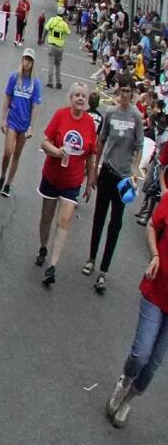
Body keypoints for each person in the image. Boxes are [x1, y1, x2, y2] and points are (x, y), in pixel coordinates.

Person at [105, 162, 168, 427]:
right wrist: (155, 255)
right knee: (141, 354)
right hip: (156, 288)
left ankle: (129, 399)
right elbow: (153, 225)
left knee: (153, 363)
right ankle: (125, 380)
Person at [36, 82, 99, 286]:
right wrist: (56, 151)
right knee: (47, 217)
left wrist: (89, 180)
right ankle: (43, 247)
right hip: (52, 175)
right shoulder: (61, 115)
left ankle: (52, 266)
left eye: (83, 96)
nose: (80, 98)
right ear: (71, 98)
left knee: (64, 221)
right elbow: (44, 141)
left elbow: (90, 154)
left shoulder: (90, 123)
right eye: (77, 95)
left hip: (72, 181)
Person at [86, 79, 144, 294]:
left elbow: (139, 146)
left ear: (134, 94)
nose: (126, 94)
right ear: (119, 91)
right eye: (124, 90)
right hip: (107, 171)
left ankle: (104, 270)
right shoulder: (110, 112)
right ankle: (91, 258)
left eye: (130, 91)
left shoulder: (137, 117)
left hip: (123, 177)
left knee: (116, 223)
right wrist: (94, 170)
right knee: (99, 216)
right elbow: (101, 141)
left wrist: (135, 170)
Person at [0, 49, 43, 195]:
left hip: (24, 123)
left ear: (33, 62)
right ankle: (3, 175)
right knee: (8, 151)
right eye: (25, 59)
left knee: (17, 153)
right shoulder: (14, 77)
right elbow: (7, 98)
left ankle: (9, 183)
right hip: (13, 121)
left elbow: (35, 106)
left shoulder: (35, 83)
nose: (27, 63)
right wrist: (3, 119)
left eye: (30, 60)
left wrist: (31, 127)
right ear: (22, 60)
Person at [43, 5, 70, 88]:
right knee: (58, 65)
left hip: (51, 45)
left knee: (50, 64)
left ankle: (50, 82)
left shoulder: (52, 20)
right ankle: (58, 83)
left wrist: (43, 39)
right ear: (63, 14)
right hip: (59, 47)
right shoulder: (63, 24)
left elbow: (46, 29)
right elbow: (68, 32)